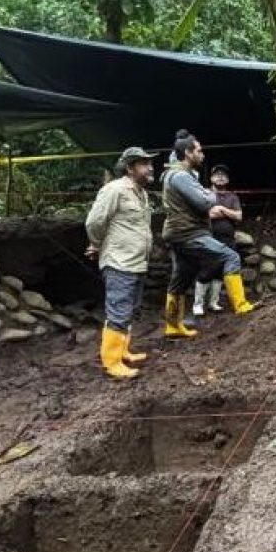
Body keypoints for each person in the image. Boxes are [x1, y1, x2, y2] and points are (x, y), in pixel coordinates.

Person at [161, 136, 254, 339]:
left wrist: (205, 194)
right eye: (199, 151)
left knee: (181, 278)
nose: (202, 154)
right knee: (231, 257)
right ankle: (241, 306)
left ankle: (173, 326)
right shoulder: (180, 176)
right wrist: (211, 196)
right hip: (188, 232)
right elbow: (205, 203)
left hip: (180, 232)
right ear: (187, 152)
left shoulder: (180, 175)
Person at [85, 147, 157, 379]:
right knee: (118, 310)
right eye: (144, 164)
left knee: (129, 310)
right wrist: (96, 244)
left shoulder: (142, 194)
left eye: (150, 163)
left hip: (137, 262)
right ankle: (112, 362)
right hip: (119, 262)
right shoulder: (114, 190)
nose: (150, 167)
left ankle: (123, 351)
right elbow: (94, 222)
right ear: (129, 168)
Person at [193, 164, 242, 316]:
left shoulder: (233, 197)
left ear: (227, 179)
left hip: (228, 239)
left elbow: (239, 216)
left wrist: (222, 210)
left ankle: (213, 302)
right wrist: (229, 213)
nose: (220, 176)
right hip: (210, 237)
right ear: (211, 178)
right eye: (217, 174)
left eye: (223, 175)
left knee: (220, 272)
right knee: (207, 269)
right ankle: (198, 304)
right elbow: (208, 214)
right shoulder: (205, 193)